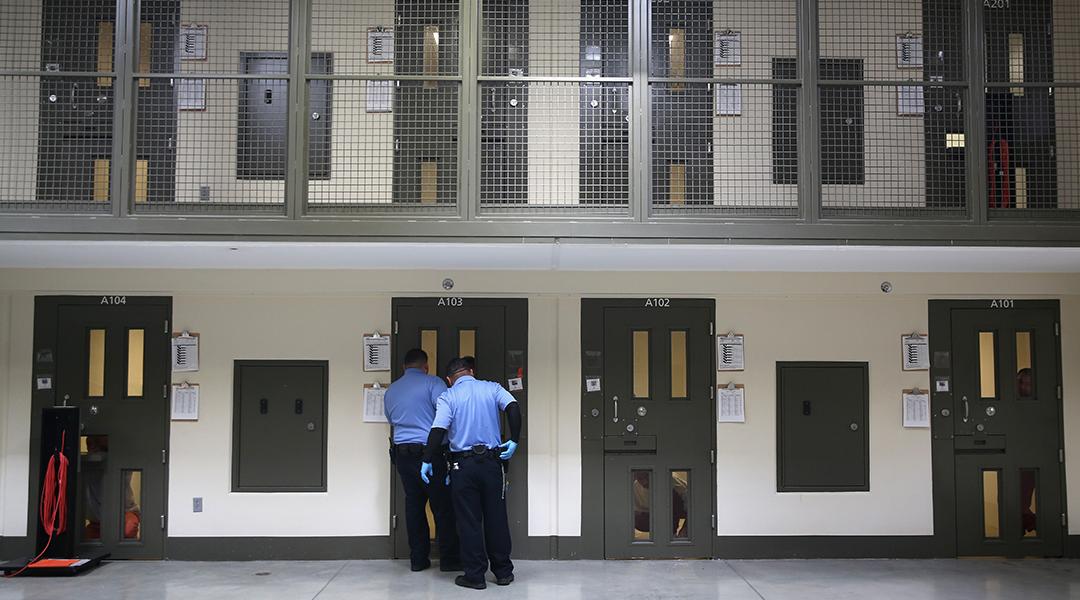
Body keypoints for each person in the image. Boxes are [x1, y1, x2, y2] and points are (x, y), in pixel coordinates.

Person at [421, 356, 521, 590]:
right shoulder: (493, 388)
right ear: (472, 372)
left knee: (469, 521)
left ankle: (475, 576)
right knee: (496, 517)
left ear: (449, 379)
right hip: (492, 463)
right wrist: (514, 440)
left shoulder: (448, 396)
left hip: (462, 466)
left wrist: (426, 459)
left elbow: (438, 430)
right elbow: (513, 407)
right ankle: (503, 572)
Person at [383, 348, 461, 572]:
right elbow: (448, 412)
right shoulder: (433, 383)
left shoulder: (392, 390)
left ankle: (418, 559)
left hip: (402, 454)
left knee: (414, 505)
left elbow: (391, 419)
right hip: (430, 453)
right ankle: (449, 560)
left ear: (404, 367)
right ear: (425, 366)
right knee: (442, 507)